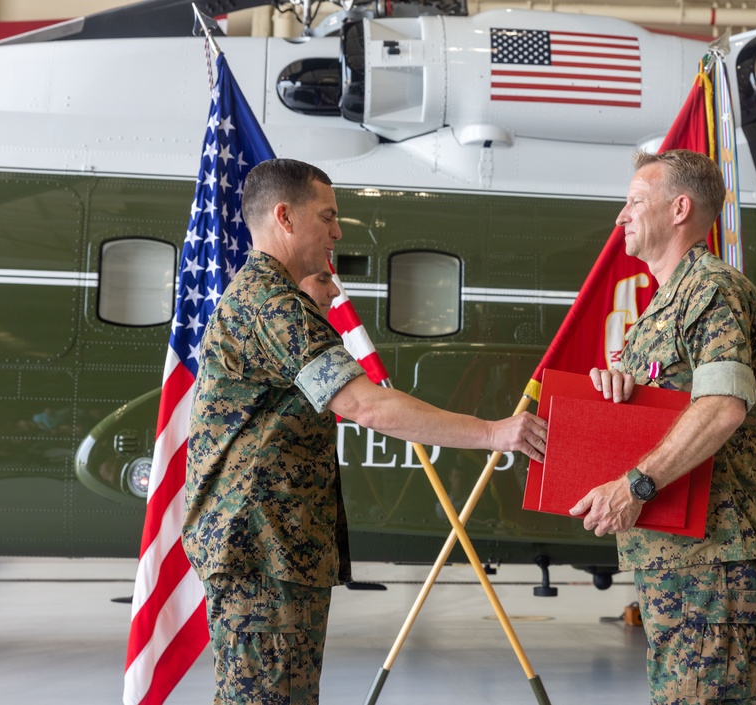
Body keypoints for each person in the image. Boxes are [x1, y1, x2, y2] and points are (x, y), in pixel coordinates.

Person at [182, 158, 547, 705]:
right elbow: (365, 405)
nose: (337, 230)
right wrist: (494, 433)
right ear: (284, 216)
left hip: (274, 548)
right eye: (327, 216)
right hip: (261, 551)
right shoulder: (271, 306)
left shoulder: (272, 298)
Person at [569, 149, 756, 705]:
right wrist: (621, 399)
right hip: (673, 555)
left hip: (712, 558)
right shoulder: (663, 307)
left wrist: (634, 485)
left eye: (635, 201)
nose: (621, 215)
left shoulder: (710, 290)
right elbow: (681, 404)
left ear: (679, 208)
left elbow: (723, 405)